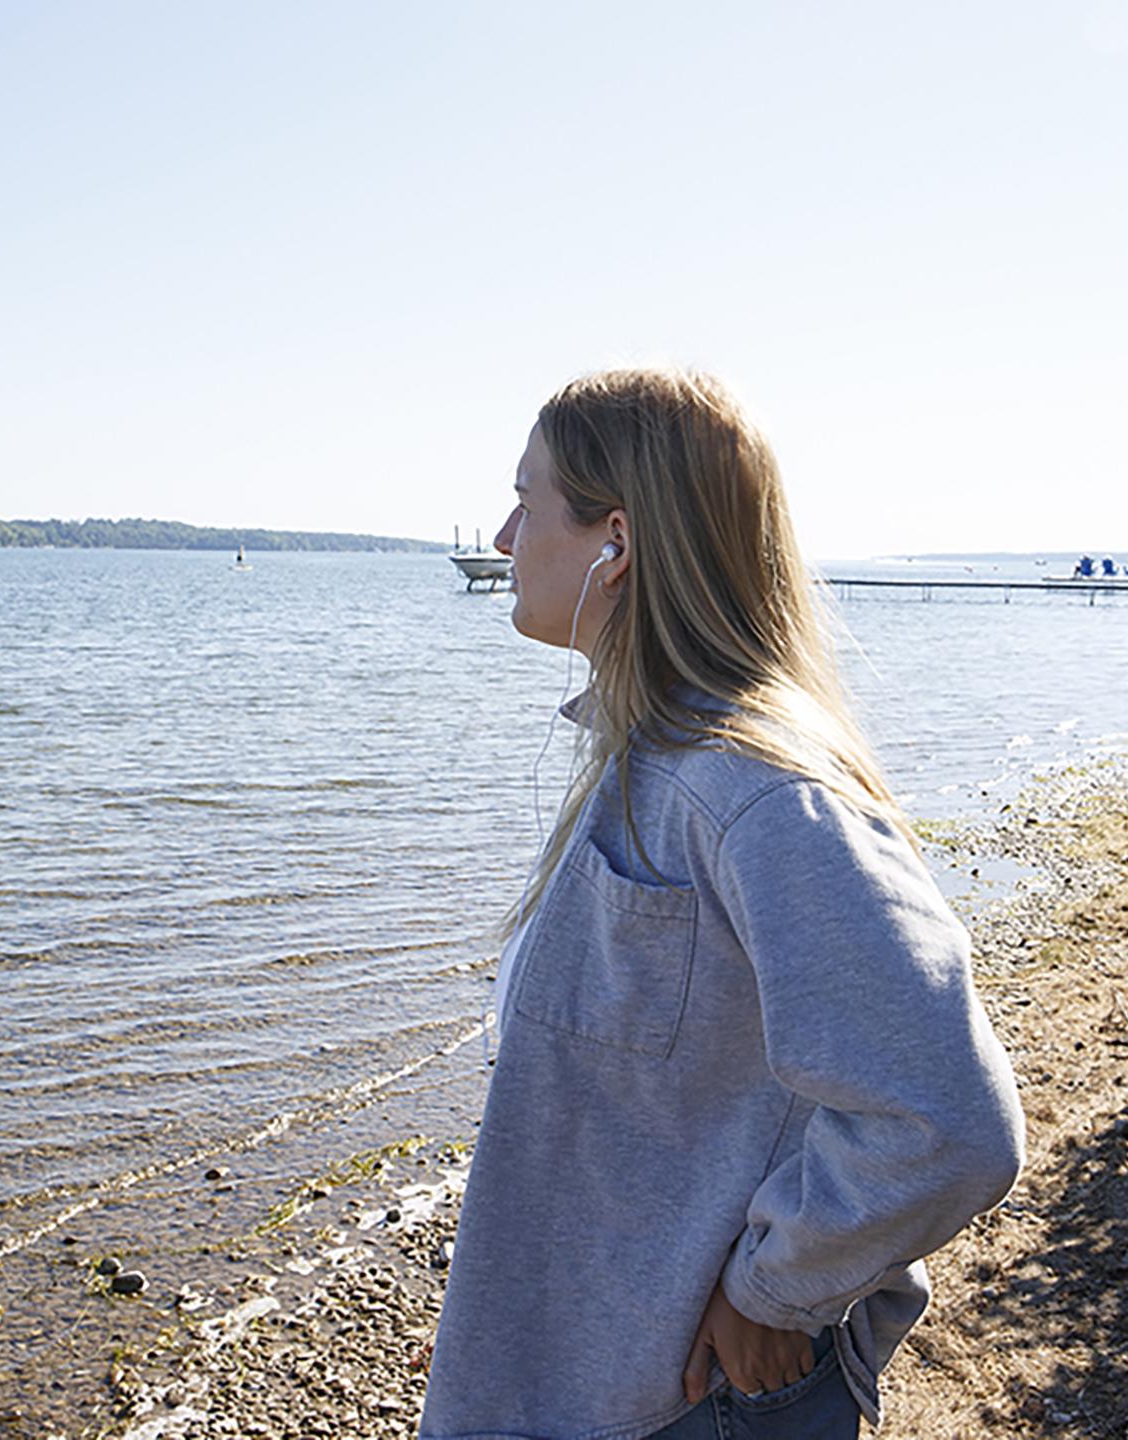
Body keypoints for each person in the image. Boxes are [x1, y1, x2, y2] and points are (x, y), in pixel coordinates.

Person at [417, 368, 1027, 1439]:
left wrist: (775, 1288)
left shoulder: (751, 791)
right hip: (601, 1371)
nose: (506, 536)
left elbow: (948, 1116)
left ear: (618, 539)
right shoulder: (650, 756)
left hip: (682, 1401)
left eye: (528, 498)